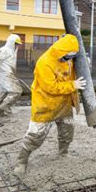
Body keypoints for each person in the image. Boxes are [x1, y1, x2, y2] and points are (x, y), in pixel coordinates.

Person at [14, 34, 86, 175]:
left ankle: (63, 153)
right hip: (45, 105)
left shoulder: (68, 60)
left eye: (71, 57)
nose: (68, 59)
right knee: (36, 135)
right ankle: (21, 161)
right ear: (61, 52)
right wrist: (73, 85)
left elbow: (70, 74)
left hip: (63, 103)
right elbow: (50, 87)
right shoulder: (44, 62)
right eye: (67, 56)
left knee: (67, 130)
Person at [0, 34, 23, 117]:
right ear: (11, 42)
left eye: (18, 44)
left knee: (3, 94)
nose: (17, 46)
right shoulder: (5, 50)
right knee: (17, 91)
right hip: (5, 74)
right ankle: (4, 106)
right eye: (16, 44)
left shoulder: (12, 51)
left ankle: (0, 115)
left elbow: (10, 63)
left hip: (6, 74)